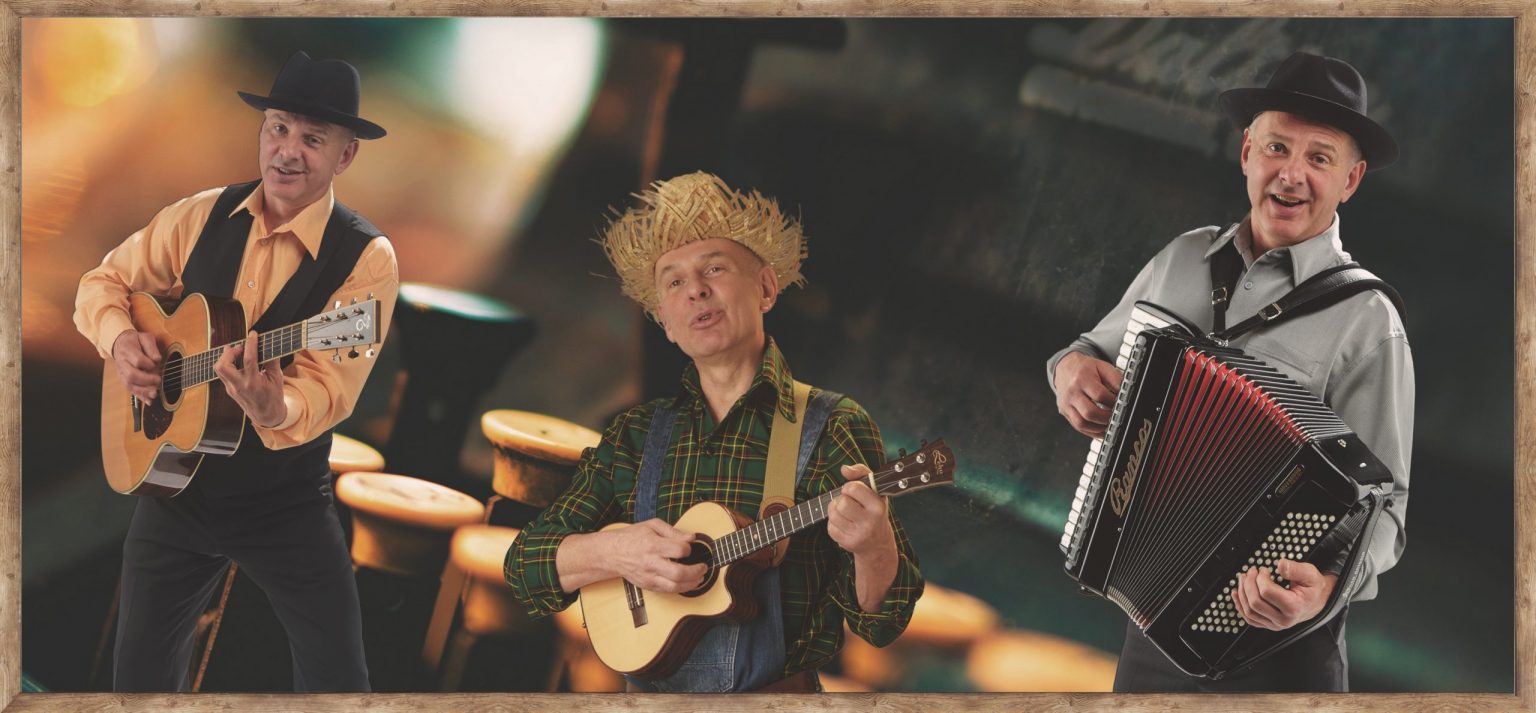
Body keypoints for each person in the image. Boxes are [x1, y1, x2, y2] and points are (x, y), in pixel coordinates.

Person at [1047, 51, 1413, 692]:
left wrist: (1326, 588)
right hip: (1149, 624)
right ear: (1247, 152)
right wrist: (1069, 372)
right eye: (1276, 147)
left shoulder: (1367, 320)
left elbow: (1388, 510)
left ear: (1350, 180)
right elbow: (1085, 352)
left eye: (1319, 158)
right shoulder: (1182, 259)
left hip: (1280, 651)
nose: (1291, 174)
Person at [504, 172, 924, 693]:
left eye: (715, 268)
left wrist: (873, 546)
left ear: (766, 288)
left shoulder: (835, 425)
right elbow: (524, 568)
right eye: (674, 282)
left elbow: (883, 623)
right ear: (665, 321)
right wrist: (615, 553)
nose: (696, 290)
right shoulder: (636, 433)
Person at [73, 51, 398, 692]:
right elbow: (102, 281)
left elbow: (331, 386)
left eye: (313, 138)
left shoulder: (367, 258)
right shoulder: (201, 214)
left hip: (282, 502)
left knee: (337, 681)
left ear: (346, 155)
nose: (288, 151)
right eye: (278, 128)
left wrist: (275, 407)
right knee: (138, 682)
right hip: (175, 489)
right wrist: (120, 340)